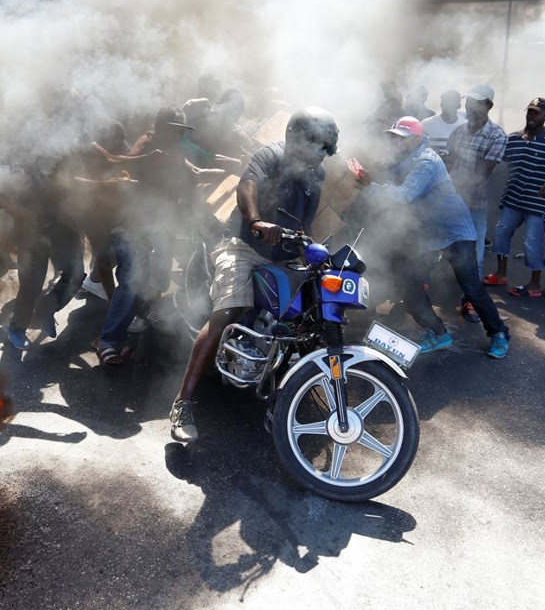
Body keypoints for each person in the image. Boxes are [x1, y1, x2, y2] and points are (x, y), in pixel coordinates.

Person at [168, 107, 338, 442]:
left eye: (325, 151)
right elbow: (247, 185)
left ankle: (280, 400)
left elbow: (306, 220)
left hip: (285, 256)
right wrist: (256, 221)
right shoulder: (270, 155)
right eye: (318, 148)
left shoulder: (315, 174)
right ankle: (182, 402)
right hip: (244, 246)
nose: (321, 157)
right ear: (295, 139)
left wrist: (312, 249)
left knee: (304, 320)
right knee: (227, 312)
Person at [353, 116, 510, 359]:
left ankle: (499, 333)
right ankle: (438, 333)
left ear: (416, 139)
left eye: (402, 138)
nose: (396, 142)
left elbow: (403, 196)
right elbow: (388, 185)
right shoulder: (402, 160)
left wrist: (370, 185)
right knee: (409, 285)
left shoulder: (427, 161)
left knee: (471, 288)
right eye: (394, 137)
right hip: (427, 237)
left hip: (455, 233)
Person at [92, 106, 198, 366]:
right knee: (131, 278)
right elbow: (120, 167)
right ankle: (108, 341)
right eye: (173, 131)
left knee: (159, 275)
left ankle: (143, 314)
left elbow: (189, 180)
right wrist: (145, 159)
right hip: (129, 224)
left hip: (157, 225)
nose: (177, 137)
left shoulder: (175, 155)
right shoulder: (147, 145)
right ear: (159, 129)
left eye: (181, 132)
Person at [485, 98, 545, 297]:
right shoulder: (514, 138)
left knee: (532, 241)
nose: (532, 116)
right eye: (530, 111)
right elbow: (499, 159)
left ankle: (535, 283)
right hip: (513, 198)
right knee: (501, 233)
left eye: (537, 113)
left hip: (538, 203)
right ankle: (501, 274)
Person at [444, 83, 506, 322]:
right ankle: (423, 291)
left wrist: (454, 180)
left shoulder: (496, 135)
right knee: (434, 245)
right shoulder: (459, 132)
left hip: (474, 205)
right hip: (450, 201)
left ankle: (470, 301)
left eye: (475, 102)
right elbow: (450, 161)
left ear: (489, 105)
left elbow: (483, 172)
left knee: (476, 255)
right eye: (468, 101)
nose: (469, 106)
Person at [421, 90, 466, 157]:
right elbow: (419, 149)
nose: (449, 105)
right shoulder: (426, 124)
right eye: (446, 102)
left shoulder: (465, 126)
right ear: (441, 104)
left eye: (453, 102)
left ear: (459, 105)